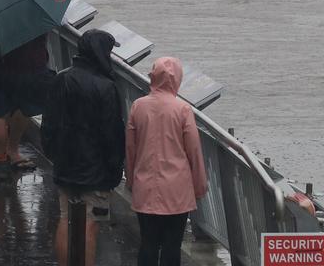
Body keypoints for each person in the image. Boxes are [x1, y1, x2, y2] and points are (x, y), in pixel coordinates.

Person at [42, 30, 125, 266]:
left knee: (65, 218)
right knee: (90, 224)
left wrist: (53, 153)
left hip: (65, 164)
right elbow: (111, 134)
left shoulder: (61, 79)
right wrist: (114, 169)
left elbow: (49, 123)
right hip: (95, 170)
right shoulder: (106, 87)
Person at [126, 57, 208, 266]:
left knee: (148, 243)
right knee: (173, 245)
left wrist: (131, 181)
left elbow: (130, 149)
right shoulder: (182, 109)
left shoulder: (138, 106)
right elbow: (194, 151)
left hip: (145, 187)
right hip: (177, 190)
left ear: (153, 76)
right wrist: (199, 186)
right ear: (177, 79)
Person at [0, 34, 53, 171]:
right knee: (24, 107)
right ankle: (13, 151)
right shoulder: (34, 15)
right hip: (31, 65)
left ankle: (0, 160)